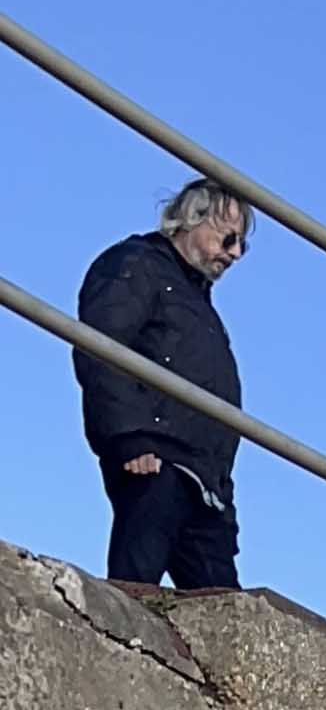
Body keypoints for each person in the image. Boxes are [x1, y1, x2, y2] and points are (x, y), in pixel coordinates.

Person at [73, 180, 248, 594]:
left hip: (205, 481)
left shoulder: (196, 298)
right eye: (229, 237)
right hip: (155, 462)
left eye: (242, 243)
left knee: (222, 609)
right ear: (192, 219)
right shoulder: (136, 264)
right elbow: (102, 347)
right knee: (134, 587)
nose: (235, 253)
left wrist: (221, 481)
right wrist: (130, 438)